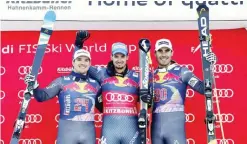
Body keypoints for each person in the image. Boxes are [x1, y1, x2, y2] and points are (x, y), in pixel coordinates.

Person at [24, 34, 102, 144]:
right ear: (73, 62)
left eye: (86, 60)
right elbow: (42, 96)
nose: (82, 63)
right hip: (67, 135)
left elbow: (103, 108)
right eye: (79, 59)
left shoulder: (96, 85)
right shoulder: (62, 81)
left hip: (88, 135)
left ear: (90, 64)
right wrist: (35, 86)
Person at [78, 38, 152, 144]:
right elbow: (81, 65)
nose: (119, 60)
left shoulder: (137, 77)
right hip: (109, 132)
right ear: (111, 57)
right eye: (116, 56)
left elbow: (147, 104)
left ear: (127, 57)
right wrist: (78, 46)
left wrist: (149, 100)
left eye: (122, 56)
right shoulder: (102, 74)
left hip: (131, 131)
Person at [151, 38, 216, 144]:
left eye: (166, 50)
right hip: (155, 131)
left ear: (172, 52)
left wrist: (211, 66)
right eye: (160, 51)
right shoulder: (150, 75)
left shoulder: (182, 72)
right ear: (155, 53)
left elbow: (204, 89)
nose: (163, 54)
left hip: (175, 130)